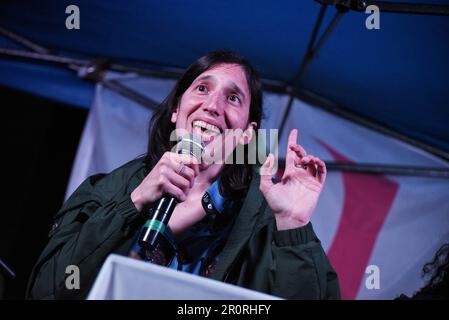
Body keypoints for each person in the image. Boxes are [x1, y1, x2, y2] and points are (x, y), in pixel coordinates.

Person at [27, 50, 340, 300]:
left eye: (233, 98)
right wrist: (131, 204)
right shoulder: (107, 191)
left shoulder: (269, 221)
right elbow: (47, 291)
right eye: (202, 88)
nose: (212, 106)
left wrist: (293, 226)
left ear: (248, 134)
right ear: (177, 109)